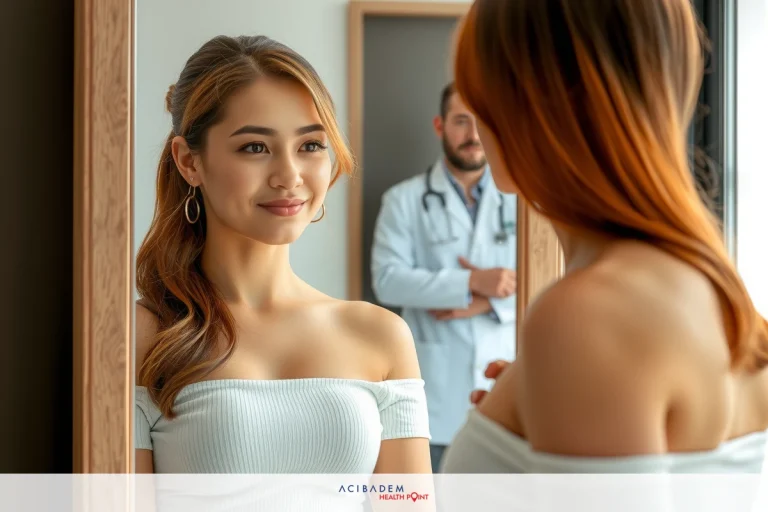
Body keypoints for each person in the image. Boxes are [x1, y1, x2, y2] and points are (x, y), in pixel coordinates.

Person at [441, 0, 768, 473]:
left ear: (530, 104)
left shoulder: (589, 315)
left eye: (479, 89)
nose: (473, 115)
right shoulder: (720, 296)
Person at [133, 35, 431, 474]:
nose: (289, 176)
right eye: (255, 147)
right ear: (188, 162)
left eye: (310, 145)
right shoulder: (144, 337)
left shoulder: (381, 335)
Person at [370, 82, 518, 473]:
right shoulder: (403, 200)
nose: (473, 136)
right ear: (440, 126)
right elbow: (387, 279)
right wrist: (470, 284)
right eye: (461, 122)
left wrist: (492, 300)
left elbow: (548, 282)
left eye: (482, 123)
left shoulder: (523, 200)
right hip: (435, 394)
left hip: (505, 386)